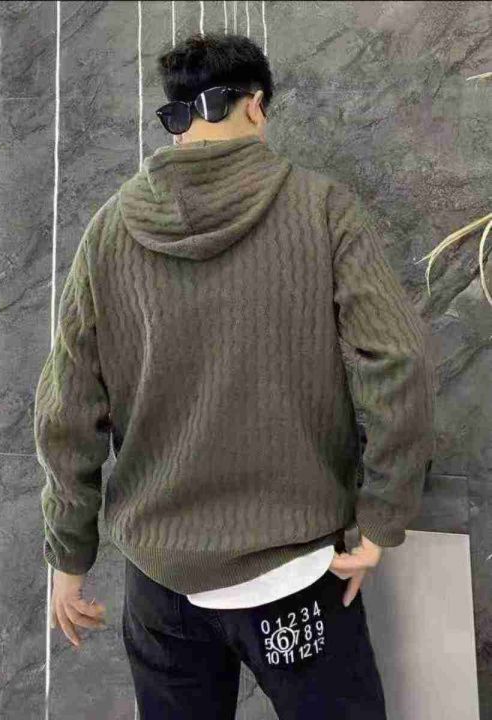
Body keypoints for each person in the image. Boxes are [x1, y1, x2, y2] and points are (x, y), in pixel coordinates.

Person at [33, 31, 436, 719]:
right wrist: (382, 521)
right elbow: (398, 362)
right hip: (296, 577)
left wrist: (68, 558)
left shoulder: (109, 232)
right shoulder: (322, 210)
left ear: (178, 117)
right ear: (254, 106)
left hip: (161, 587)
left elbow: (65, 412)